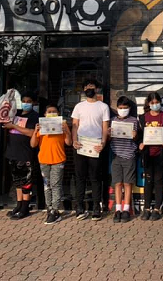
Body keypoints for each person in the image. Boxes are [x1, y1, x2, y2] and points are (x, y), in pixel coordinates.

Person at [71, 79, 110, 221]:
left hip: (95, 145)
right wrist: (74, 140)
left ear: (97, 89)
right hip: (81, 145)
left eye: (91, 87)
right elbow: (75, 125)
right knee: (80, 177)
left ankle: (96, 208)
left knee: (95, 178)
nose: (89, 88)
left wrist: (103, 142)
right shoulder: (79, 106)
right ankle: (79, 207)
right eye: (86, 87)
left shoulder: (103, 106)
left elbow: (105, 126)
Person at [31, 104, 71, 224]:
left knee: (56, 185)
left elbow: (69, 143)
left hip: (58, 160)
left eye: (54, 111)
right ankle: (49, 208)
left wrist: (67, 132)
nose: (52, 113)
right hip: (44, 160)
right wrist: (35, 131)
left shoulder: (62, 125)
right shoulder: (41, 127)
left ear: (58, 114)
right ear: (45, 114)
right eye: (49, 111)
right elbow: (33, 144)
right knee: (47, 186)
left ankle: (55, 210)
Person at [4, 91, 39, 220]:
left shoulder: (34, 116)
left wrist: (14, 126)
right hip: (13, 152)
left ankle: (25, 207)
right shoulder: (16, 114)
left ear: (33, 103)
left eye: (29, 101)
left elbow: (31, 133)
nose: (26, 103)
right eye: (24, 101)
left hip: (26, 153)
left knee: (26, 182)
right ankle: (18, 205)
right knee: (17, 182)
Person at [137, 92, 163, 221]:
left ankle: (157, 208)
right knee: (148, 181)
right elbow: (139, 135)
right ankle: (146, 208)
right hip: (147, 154)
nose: (155, 105)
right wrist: (139, 143)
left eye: (157, 102)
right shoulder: (142, 118)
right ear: (148, 104)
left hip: (160, 154)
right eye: (152, 103)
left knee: (158, 181)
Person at [109, 96, 138, 223]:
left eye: (125, 108)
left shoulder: (134, 121)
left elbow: (136, 139)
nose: (123, 110)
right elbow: (109, 139)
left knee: (127, 183)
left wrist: (135, 136)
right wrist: (108, 134)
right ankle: (118, 209)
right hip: (116, 155)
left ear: (129, 108)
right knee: (117, 183)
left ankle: (126, 209)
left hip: (129, 155)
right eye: (120, 108)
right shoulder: (112, 120)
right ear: (117, 108)